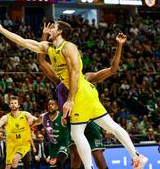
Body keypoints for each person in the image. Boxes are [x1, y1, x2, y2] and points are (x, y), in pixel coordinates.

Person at [0, 20, 147, 169]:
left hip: (80, 94)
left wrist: (70, 100)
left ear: (60, 31)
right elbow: (23, 42)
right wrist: (0, 28)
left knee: (76, 133)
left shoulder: (68, 47)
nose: (50, 29)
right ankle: (136, 156)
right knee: (110, 125)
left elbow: (75, 72)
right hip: (88, 93)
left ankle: (91, 167)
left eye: (53, 27)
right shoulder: (49, 47)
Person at [38, 30, 126, 169]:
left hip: (89, 119)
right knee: (75, 156)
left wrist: (119, 45)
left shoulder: (86, 77)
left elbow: (112, 69)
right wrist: (44, 36)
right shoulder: (59, 79)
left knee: (97, 154)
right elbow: (41, 61)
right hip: (73, 121)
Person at [0, 95, 38, 169]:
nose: (13, 104)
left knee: (15, 160)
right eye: (11, 103)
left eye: (15, 103)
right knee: (8, 167)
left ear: (18, 105)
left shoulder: (25, 114)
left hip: (23, 144)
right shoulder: (6, 118)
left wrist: (36, 119)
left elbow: (36, 120)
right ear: (9, 106)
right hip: (11, 146)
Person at [34, 99, 69, 169]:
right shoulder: (43, 117)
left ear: (57, 107)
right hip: (52, 145)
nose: (50, 106)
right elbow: (35, 123)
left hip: (63, 143)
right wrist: (29, 125)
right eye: (49, 104)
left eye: (52, 104)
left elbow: (71, 127)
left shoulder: (62, 117)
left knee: (59, 161)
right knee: (53, 166)